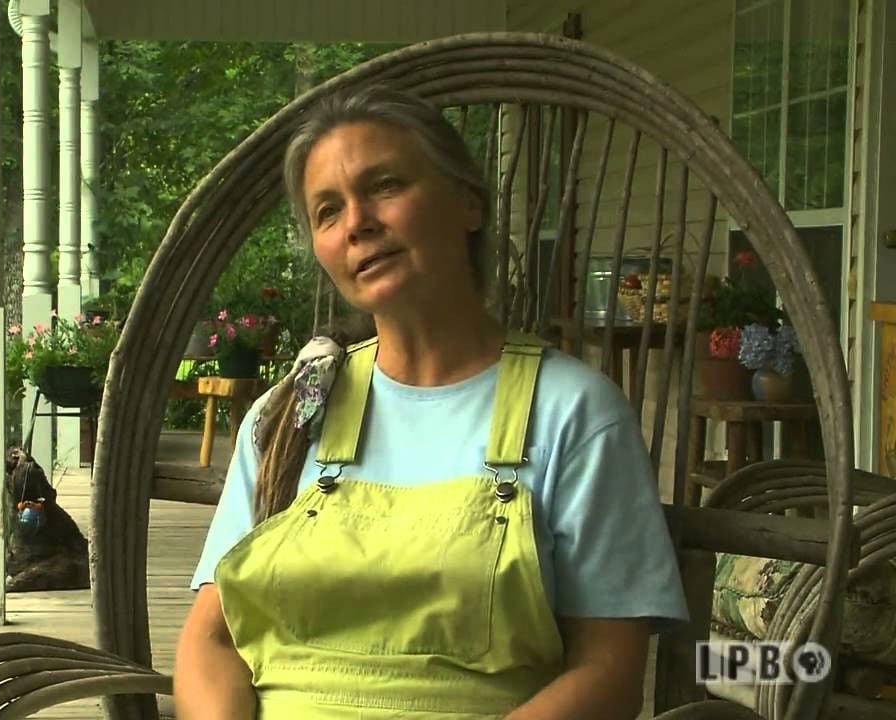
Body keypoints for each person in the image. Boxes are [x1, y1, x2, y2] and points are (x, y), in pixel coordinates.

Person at [174, 84, 688, 720]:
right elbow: (209, 640)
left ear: (468, 203)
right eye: (327, 211)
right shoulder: (299, 408)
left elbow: (608, 674)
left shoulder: (573, 413)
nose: (357, 222)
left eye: (384, 186)